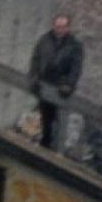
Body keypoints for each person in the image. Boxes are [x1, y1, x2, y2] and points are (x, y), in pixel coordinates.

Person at [26, 13, 84, 151]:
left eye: (63, 27)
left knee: (60, 122)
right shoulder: (44, 40)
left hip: (61, 89)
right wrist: (34, 76)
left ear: (68, 28)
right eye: (57, 26)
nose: (60, 29)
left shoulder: (75, 45)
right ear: (53, 26)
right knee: (46, 119)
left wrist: (69, 85)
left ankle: (57, 152)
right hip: (45, 85)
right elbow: (35, 59)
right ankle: (44, 147)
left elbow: (76, 68)